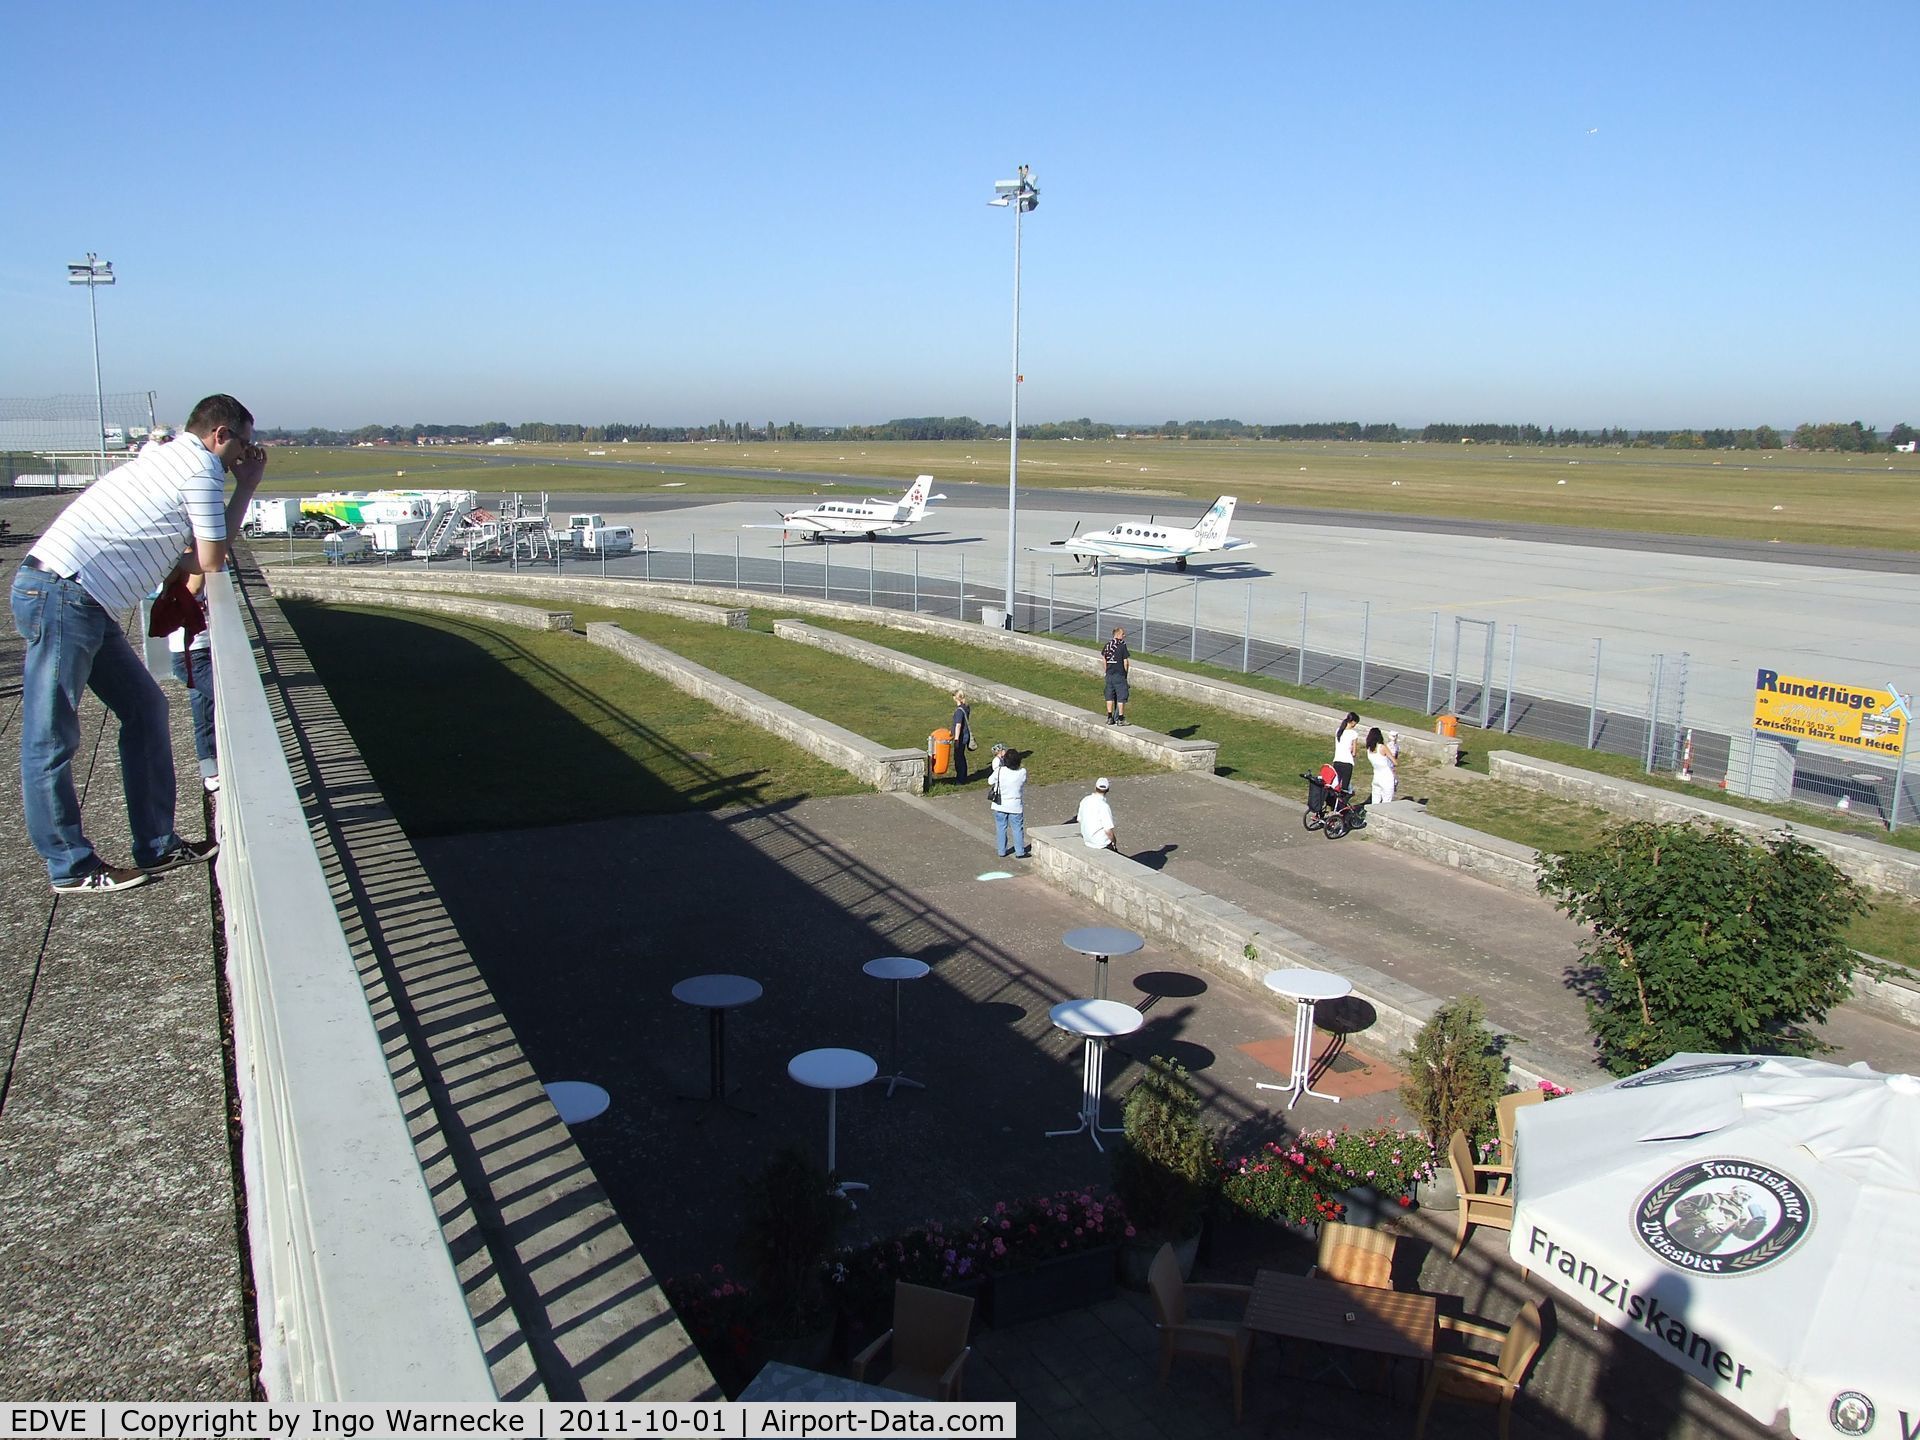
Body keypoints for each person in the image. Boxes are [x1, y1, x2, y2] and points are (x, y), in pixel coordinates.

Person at [13, 393, 266, 893]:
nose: (246, 455)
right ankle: (71, 867)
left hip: (79, 597)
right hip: (66, 594)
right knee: (50, 737)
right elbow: (211, 559)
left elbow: (191, 558)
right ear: (221, 435)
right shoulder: (202, 470)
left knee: (147, 709)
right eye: (244, 444)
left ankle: (156, 843)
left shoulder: (167, 457)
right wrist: (248, 488)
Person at [168, 574, 219, 794]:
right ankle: (212, 771)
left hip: (200, 648)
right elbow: (193, 587)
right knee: (232, 702)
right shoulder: (188, 563)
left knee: (204, 710)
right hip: (192, 653)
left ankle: (210, 770)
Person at [990, 748, 1029, 858]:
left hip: (1000, 804)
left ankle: (1002, 851)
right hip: (1015, 806)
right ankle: (1020, 851)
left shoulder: (999, 771)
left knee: (1001, 827)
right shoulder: (1022, 772)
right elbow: (1025, 781)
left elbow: (990, 781)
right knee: (1017, 828)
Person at [1077, 776, 1117, 851]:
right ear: (1107, 790)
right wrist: (1114, 841)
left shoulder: (1085, 800)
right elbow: (1108, 830)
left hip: (1087, 840)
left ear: (1095, 787)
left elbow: (1079, 820)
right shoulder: (1104, 806)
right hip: (1100, 843)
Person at [1100, 626, 1130, 724]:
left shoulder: (1107, 645)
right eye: (1123, 634)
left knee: (1109, 696)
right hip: (1119, 675)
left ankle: (1109, 717)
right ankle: (1120, 718)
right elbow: (1126, 662)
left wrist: (1106, 671)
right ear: (1118, 634)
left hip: (1109, 675)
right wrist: (1125, 674)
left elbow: (1104, 659)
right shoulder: (1122, 646)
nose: (1124, 636)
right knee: (1121, 696)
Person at [1364, 726, 1398, 806]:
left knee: (1375, 802)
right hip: (1386, 777)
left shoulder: (1369, 749)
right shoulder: (1382, 747)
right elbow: (1395, 762)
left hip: (1376, 777)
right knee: (1386, 802)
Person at [948, 688, 975, 784]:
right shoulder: (966, 707)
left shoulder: (959, 711)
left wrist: (956, 739)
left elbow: (958, 725)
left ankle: (960, 779)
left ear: (956, 698)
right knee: (961, 756)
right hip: (965, 736)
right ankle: (963, 776)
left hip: (960, 737)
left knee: (958, 757)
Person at [1332, 711, 1361, 797]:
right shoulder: (1354, 734)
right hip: (1347, 763)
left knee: (1335, 786)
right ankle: (1341, 806)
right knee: (1344, 788)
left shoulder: (1338, 731)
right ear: (1353, 722)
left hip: (1337, 761)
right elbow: (1354, 753)